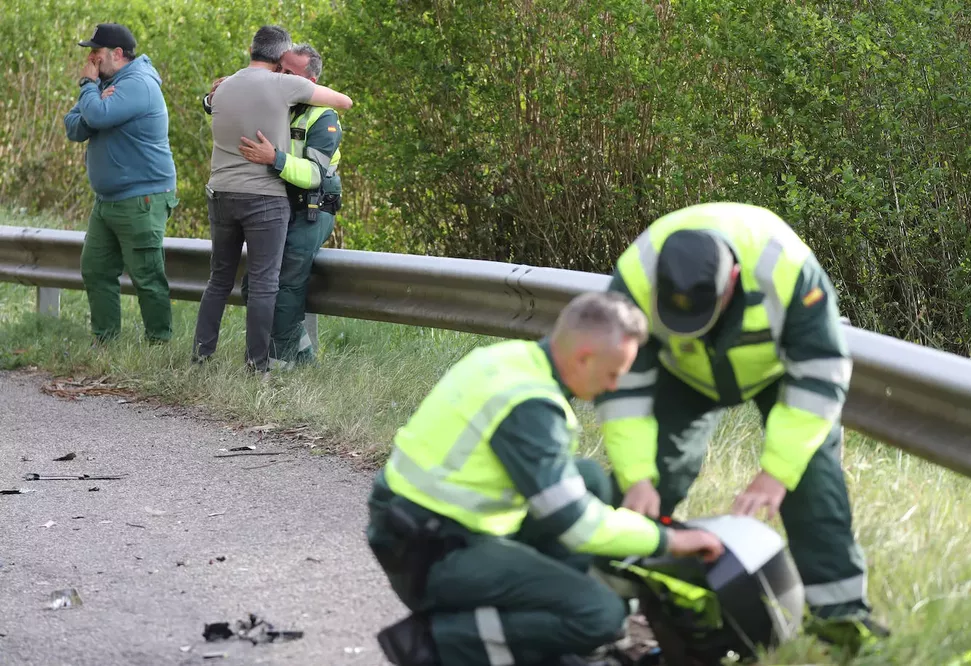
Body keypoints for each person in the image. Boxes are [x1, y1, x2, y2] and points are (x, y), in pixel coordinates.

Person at [366, 291, 725, 666]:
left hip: (416, 528)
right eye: (613, 374)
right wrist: (670, 541)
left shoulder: (510, 359)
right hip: (430, 555)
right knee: (599, 615)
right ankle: (436, 644)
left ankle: (549, 626)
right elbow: (578, 526)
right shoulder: (529, 407)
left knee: (587, 479)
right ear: (584, 357)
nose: (615, 386)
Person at [593, 201, 890, 652]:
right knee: (651, 480)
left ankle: (844, 620)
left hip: (777, 371)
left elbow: (821, 372)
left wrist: (776, 473)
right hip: (683, 372)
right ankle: (609, 611)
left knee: (812, 482)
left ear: (731, 282)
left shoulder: (787, 269)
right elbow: (625, 385)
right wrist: (637, 476)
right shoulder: (635, 275)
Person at [192, 25, 352, 374]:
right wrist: (212, 96)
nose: (281, 75)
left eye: (289, 73)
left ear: (307, 82)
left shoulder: (322, 117)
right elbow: (233, 104)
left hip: (312, 204)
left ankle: (277, 362)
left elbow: (313, 175)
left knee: (286, 280)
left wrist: (275, 159)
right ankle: (298, 356)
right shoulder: (280, 96)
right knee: (254, 285)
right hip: (275, 201)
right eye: (280, 68)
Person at [63, 22, 178, 345]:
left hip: (141, 196)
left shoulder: (138, 83)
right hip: (108, 199)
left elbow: (96, 117)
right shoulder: (105, 84)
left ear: (116, 53)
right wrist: (95, 100)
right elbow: (73, 127)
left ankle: (159, 345)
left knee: (146, 276)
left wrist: (89, 89)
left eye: (96, 53)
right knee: (96, 269)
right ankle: (106, 341)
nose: (91, 61)